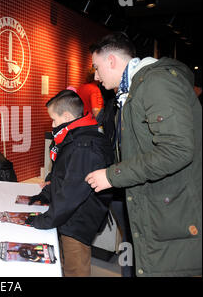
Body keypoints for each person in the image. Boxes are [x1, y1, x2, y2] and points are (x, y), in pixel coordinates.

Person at [85, 32, 202, 277]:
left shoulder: (156, 83)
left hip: (172, 211)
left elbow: (177, 150)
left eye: (97, 67)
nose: (96, 76)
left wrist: (112, 175)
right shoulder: (131, 93)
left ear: (112, 61)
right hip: (155, 205)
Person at [25, 90, 114, 277]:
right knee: (64, 266)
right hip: (69, 217)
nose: (52, 124)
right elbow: (63, 175)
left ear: (66, 117)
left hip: (77, 222)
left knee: (75, 269)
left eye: (54, 120)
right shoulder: (76, 138)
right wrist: (46, 193)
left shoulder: (84, 146)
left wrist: (44, 220)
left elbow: (72, 193)